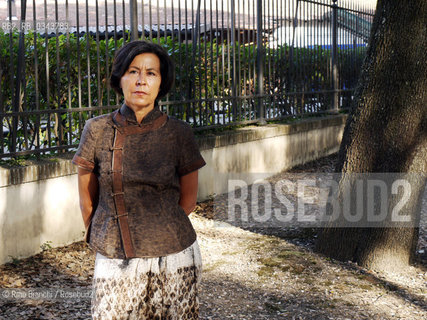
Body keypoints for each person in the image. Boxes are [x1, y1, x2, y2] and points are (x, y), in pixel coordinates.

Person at [72, 40, 206, 319]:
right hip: (114, 254)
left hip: (176, 255)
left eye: (151, 73)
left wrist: (156, 235)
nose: (141, 81)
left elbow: (189, 200)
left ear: (161, 83)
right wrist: (108, 234)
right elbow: (87, 200)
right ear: (120, 79)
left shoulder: (179, 133)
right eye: (133, 71)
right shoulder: (96, 129)